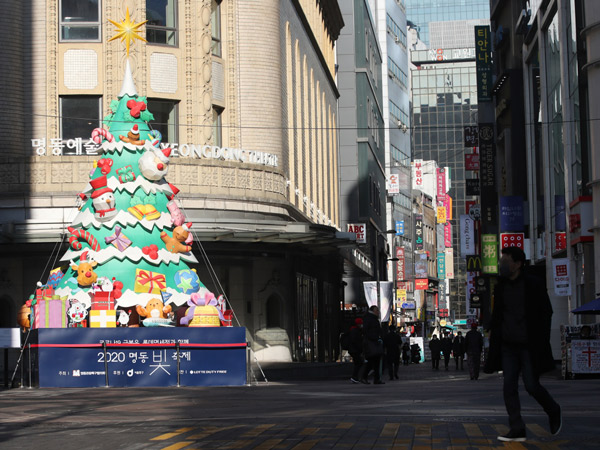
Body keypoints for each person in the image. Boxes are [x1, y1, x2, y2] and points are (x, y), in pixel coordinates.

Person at [486, 246, 561, 442]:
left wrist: (541, 337)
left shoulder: (533, 284)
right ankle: (517, 427)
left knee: (531, 385)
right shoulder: (501, 286)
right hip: (508, 345)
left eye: (506, 261)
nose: (502, 265)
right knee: (508, 387)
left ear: (518, 264)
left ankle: (553, 410)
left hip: (529, 344)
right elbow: (499, 314)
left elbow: (546, 312)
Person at [362, 305, 385, 384]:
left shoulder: (373, 319)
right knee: (372, 361)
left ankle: (376, 379)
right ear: (373, 311)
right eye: (377, 310)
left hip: (374, 342)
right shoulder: (369, 319)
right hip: (371, 343)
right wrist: (375, 338)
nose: (378, 312)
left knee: (376, 361)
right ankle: (364, 377)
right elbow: (366, 331)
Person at [348, 318, 364, 384]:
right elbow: (355, 341)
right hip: (355, 350)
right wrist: (360, 348)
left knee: (358, 363)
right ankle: (354, 377)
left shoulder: (354, 330)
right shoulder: (355, 331)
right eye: (361, 324)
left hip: (354, 350)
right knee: (359, 363)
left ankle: (355, 377)